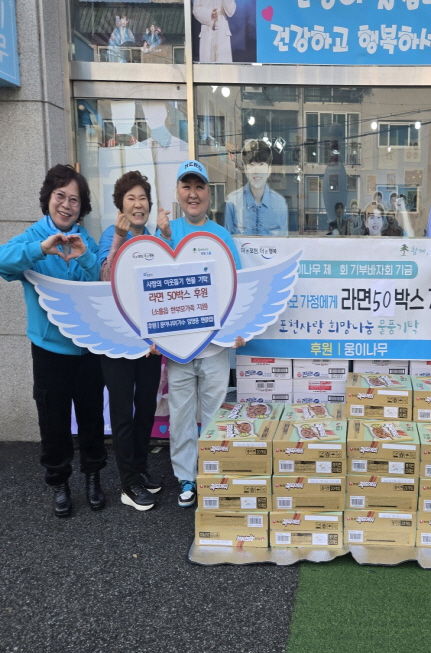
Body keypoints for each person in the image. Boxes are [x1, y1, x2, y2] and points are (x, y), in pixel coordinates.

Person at [0, 165, 106, 517]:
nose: (66, 205)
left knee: (91, 415)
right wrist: (40, 249)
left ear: (82, 206)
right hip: (49, 349)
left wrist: (85, 256)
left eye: (74, 200)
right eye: (61, 196)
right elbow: (3, 262)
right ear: (48, 198)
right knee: (53, 419)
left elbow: (99, 283)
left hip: (87, 348)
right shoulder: (32, 237)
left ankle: (93, 476)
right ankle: (59, 482)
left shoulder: (85, 239)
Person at [158, 160, 245, 507]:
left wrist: (239, 330)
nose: (193, 194)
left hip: (214, 347)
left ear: (209, 193)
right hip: (178, 349)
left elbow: (238, 287)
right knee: (180, 415)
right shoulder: (166, 231)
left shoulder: (221, 236)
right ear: (178, 192)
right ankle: (186, 478)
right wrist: (162, 238)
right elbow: (152, 287)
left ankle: (211, 474)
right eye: (187, 187)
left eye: (199, 187)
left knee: (213, 416)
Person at [99, 171, 162, 512]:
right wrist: (119, 239)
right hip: (117, 341)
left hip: (149, 342)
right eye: (131, 198)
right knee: (123, 411)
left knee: (147, 406)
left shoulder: (153, 238)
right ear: (120, 204)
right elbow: (104, 278)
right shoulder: (110, 234)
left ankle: (139, 467)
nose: (138, 205)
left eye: (143, 198)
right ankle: (128, 483)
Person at [225, 139, 289, 236]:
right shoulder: (232, 201)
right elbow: (227, 240)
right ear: (245, 169)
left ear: (269, 169)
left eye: (261, 164)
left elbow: (284, 242)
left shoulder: (280, 204)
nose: (256, 170)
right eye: (252, 164)